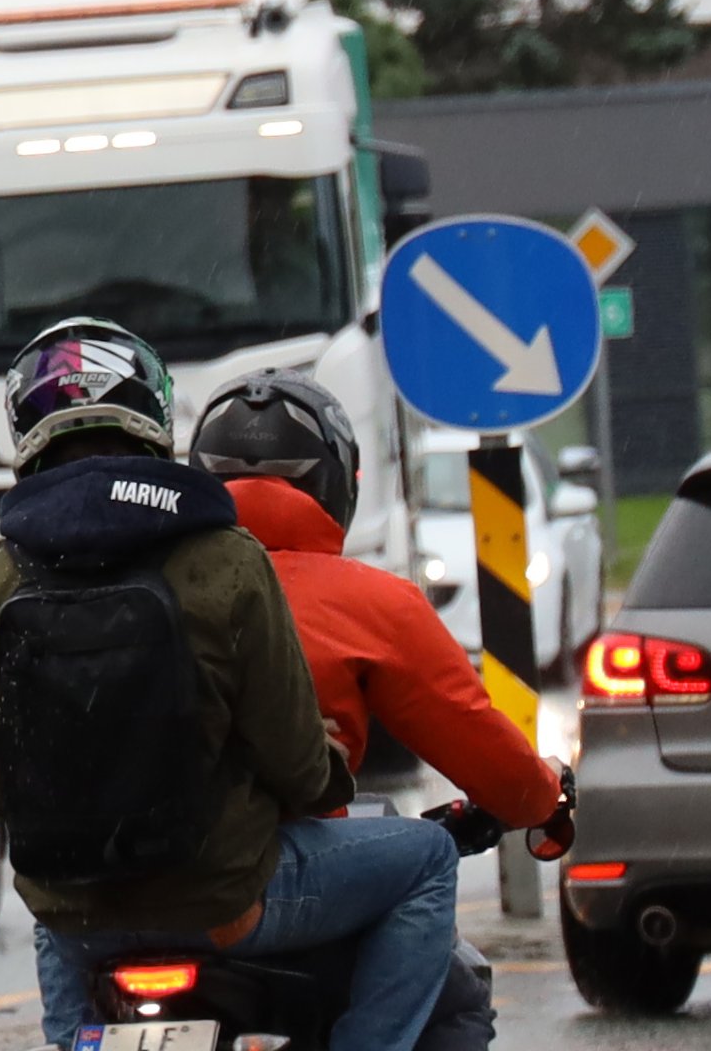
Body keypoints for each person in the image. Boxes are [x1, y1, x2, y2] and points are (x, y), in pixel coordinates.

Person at [0, 317, 460, 1051]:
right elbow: (298, 764)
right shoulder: (226, 559)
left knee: (54, 917)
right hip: (224, 901)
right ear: (156, 424)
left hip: (79, 921)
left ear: (27, 437)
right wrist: (327, 773)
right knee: (427, 861)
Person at [190, 367, 568, 1050]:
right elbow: (480, 748)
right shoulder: (370, 601)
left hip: (113, 894)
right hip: (271, 884)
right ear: (335, 485)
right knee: (450, 989)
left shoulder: (137, 585)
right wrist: (543, 801)